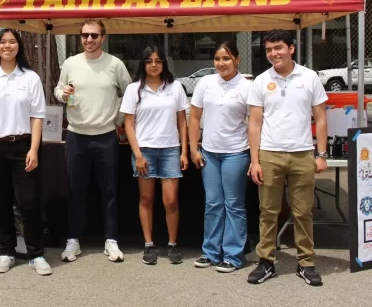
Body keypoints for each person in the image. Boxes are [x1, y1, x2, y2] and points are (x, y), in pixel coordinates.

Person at [246, 29, 328, 286]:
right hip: (270, 154)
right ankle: (266, 261)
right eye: (269, 49)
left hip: (303, 153)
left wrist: (321, 153)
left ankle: (306, 262)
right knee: (268, 211)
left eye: (278, 47)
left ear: (291, 49)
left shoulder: (310, 77)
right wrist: (255, 160)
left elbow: (321, 117)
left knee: (303, 212)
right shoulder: (260, 81)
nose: (273, 53)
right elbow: (255, 123)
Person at [0, 29, 51, 276]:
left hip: (23, 147)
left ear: (19, 46)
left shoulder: (30, 78)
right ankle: (6, 251)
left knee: (29, 203)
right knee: (1, 203)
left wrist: (34, 149)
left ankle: (36, 253)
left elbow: (37, 117)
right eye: (3, 42)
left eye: (12, 42)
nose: (7, 46)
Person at [54, 19, 131, 263]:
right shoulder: (70, 63)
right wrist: (62, 94)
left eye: (94, 36)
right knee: (76, 190)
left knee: (109, 191)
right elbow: (58, 90)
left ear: (103, 38)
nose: (89, 40)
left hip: (106, 136)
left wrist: (118, 120)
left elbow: (129, 94)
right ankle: (73, 240)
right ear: (80, 38)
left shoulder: (115, 64)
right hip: (76, 135)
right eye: (85, 35)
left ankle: (111, 240)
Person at [120, 46, 188, 265]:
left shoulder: (175, 87)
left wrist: (184, 151)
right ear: (143, 64)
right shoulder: (134, 89)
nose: (154, 65)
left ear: (164, 64)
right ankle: (149, 245)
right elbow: (129, 124)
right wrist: (137, 154)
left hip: (170, 150)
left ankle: (172, 244)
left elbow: (182, 122)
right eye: (149, 61)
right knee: (147, 199)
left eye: (158, 61)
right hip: (145, 150)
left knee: (171, 201)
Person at [188, 40, 252, 273]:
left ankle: (233, 256)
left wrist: (255, 157)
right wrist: (194, 148)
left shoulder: (246, 86)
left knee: (234, 205)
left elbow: (255, 122)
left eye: (226, 58)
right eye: (217, 59)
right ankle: (211, 252)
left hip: (236, 152)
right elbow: (194, 117)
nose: (221, 63)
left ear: (237, 60)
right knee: (213, 204)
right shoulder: (205, 83)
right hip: (209, 154)